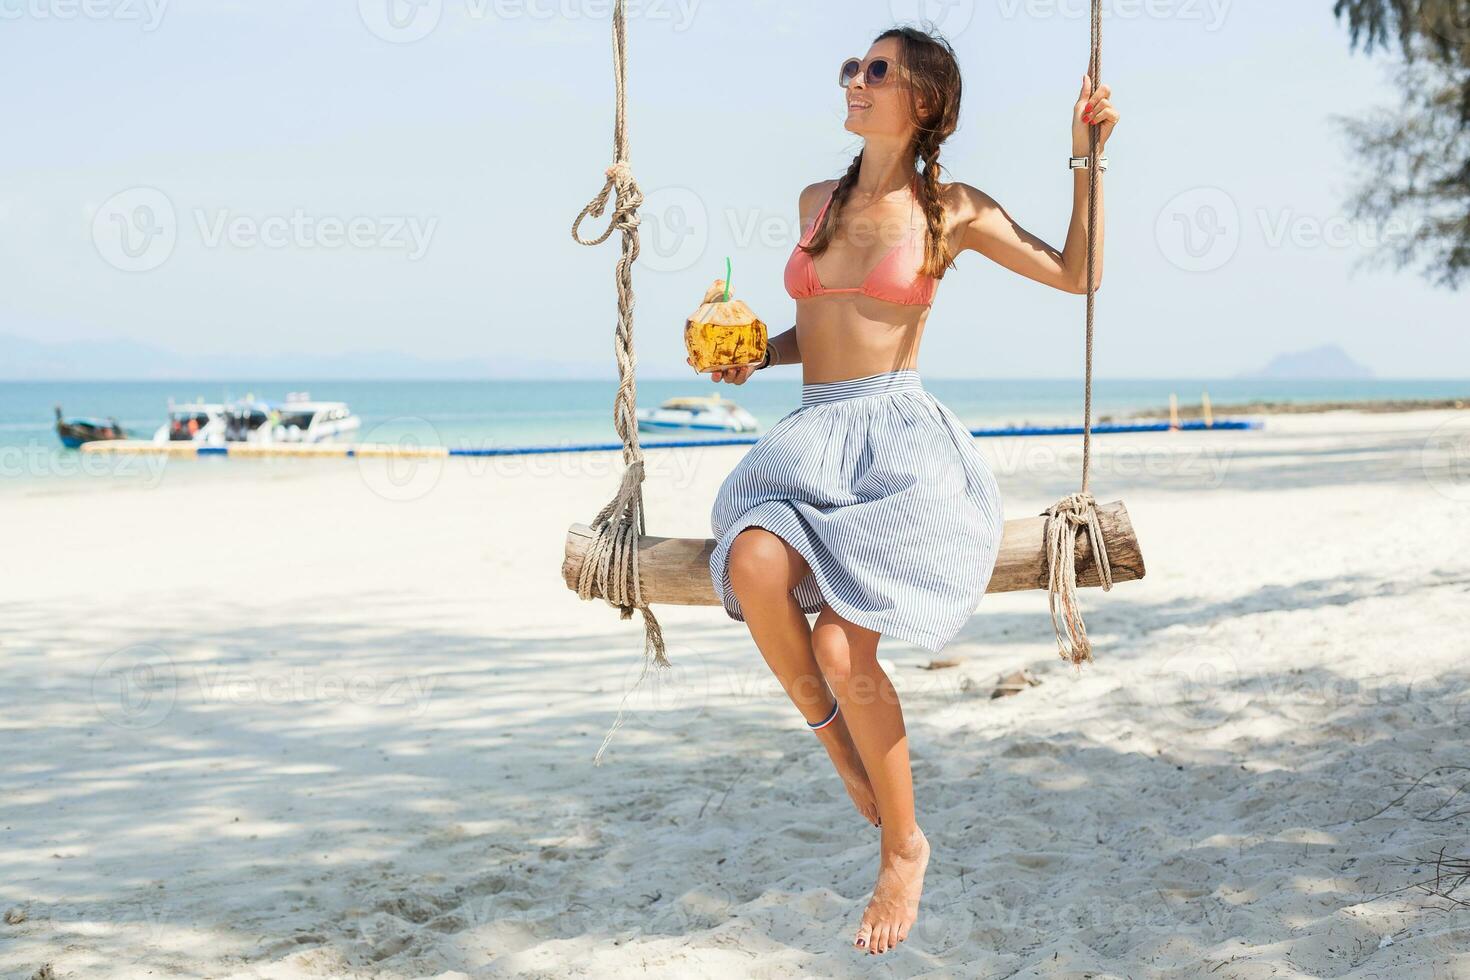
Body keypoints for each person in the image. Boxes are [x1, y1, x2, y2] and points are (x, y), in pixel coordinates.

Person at [690, 26, 1118, 955]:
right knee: (756, 562)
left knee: (845, 648)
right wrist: (756, 352)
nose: (855, 78)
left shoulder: (951, 211)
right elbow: (829, 321)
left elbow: (1077, 274)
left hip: (899, 445)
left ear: (922, 101)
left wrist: (1086, 160)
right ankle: (841, 753)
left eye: (876, 70)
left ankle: (903, 845)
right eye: (853, 65)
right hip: (811, 436)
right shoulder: (815, 198)